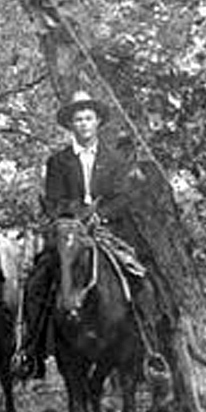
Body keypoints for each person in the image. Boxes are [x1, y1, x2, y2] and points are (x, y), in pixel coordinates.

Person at [16, 90, 148, 379]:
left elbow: (123, 197)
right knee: (38, 280)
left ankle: (146, 347)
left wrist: (101, 215)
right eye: (78, 119)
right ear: (71, 125)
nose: (84, 124)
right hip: (70, 230)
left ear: (98, 122)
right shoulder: (58, 161)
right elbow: (54, 200)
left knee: (140, 278)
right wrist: (75, 215)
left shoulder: (115, 160)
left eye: (88, 118)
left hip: (106, 231)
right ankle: (30, 349)